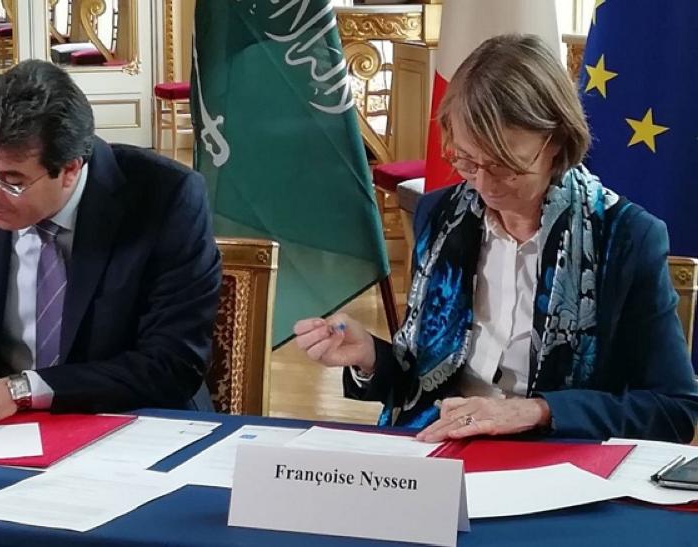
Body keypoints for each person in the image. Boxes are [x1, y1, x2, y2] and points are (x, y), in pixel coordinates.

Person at [294, 34, 698, 443]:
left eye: (506, 165)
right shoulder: (443, 216)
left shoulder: (625, 237)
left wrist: (538, 411)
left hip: (555, 459)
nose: (485, 186)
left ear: (557, 141)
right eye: (467, 162)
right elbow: (421, 378)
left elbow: (674, 410)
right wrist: (370, 357)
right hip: (439, 446)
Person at [0, 60, 221, 428]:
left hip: (136, 422)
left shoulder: (166, 199)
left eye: (10, 181)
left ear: (70, 170)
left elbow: (171, 363)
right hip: (0, 431)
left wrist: (21, 390)